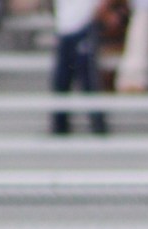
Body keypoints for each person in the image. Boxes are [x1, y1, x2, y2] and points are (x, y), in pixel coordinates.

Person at [50, 0, 109, 134]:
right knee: (61, 82)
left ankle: (98, 127)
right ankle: (60, 128)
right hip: (64, 28)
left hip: (83, 26)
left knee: (88, 83)